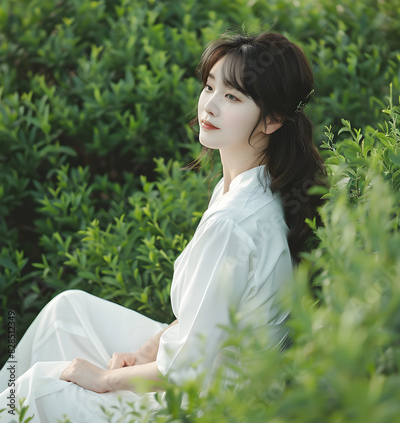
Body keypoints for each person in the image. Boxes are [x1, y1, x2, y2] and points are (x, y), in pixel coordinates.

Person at [0, 31, 326, 422]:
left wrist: (105, 379)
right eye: (210, 87)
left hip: (210, 407)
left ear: (272, 120)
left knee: (37, 388)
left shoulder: (235, 222)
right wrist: (144, 352)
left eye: (232, 97)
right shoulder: (246, 185)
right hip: (208, 369)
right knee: (66, 311)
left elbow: (184, 371)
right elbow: (202, 316)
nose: (210, 105)